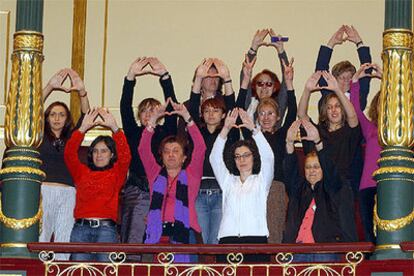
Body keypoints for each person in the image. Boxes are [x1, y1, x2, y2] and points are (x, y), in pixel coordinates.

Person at [119, 57, 178, 258]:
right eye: (144, 111)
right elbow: (125, 106)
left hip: (162, 190)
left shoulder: (166, 132)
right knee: (133, 241)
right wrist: (130, 76)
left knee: (160, 240)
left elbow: (172, 106)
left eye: (153, 110)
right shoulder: (134, 132)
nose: (148, 115)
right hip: (136, 189)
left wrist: (165, 76)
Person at [138, 101, 206, 263]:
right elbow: (143, 149)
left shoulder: (192, 174)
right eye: (167, 152)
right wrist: (153, 121)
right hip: (156, 233)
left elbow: (201, 147)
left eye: (176, 151)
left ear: (184, 158)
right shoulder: (155, 174)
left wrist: (187, 118)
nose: (171, 155)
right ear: (161, 156)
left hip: (185, 233)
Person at [239, 56, 297, 243]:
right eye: (261, 114)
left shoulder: (281, 135)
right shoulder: (251, 137)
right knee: (252, 232)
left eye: (270, 113)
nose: (265, 117)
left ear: (278, 116)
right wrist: (246, 79)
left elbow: (293, 111)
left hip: (275, 187)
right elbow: (239, 109)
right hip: (253, 187)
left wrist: (289, 83)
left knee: (273, 232)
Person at [298, 71, 360, 242]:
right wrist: (307, 90)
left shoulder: (349, 131)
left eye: (337, 106)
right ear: (325, 110)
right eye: (330, 106)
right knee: (318, 230)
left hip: (340, 185)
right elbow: (302, 116)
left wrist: (337, 90)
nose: (333, 110)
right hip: (319, 185)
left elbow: (353, 117)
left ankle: (351, 263)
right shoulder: (319, 132)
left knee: (346, 227)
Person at [64, 108, 130, 262]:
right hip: (80, 229)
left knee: (105, 271)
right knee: (79, 272)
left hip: (106, 230)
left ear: (112, 154)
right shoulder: (81, 172)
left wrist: (114, 128)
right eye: (95, 151)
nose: (99, 155)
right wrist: (82, 129)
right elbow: (69, 153)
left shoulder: (116, 173)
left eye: (104, 151)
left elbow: (126, 155)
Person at [210, 108, 274, 261]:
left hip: (256, 240)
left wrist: (253, 129)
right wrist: (225, 129)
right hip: (228, 239)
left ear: (253, 158)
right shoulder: (227, 181)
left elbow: (268, 157)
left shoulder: (261, 180)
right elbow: (214, 158)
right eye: (237, 157)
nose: (242, 160)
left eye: (246, 155)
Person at [39, 68, 90, 261]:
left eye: (61, 114)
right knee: (41, 238)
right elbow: (31, 108)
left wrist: (82, 91)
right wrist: (50, 87)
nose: (57, 118)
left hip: (69, 192)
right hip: (44, 191)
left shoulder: (72, 138)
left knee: (65, 239)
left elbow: (86, 115)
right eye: (53, 114)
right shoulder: (39, 136)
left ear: (67, 118)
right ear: (47, 117)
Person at [188, 58, 239, 245]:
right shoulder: (196, 133)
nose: (211, 114)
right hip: (199, 193)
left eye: (216, 110)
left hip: (221, 192)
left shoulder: (229, 134)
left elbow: (233, 107)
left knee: (216, 242)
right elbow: (192, 107)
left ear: (223, 114)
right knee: (199, 242)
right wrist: (199, 78)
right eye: (207, 111)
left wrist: (226, 79)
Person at [283, 119, 344, 262]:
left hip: (324, 251)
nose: (311, 171)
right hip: (297, 252)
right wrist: (289, 143)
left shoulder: (331, 187)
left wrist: (318, 141)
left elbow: (330, 169)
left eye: (316, 167)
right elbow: (290, 171)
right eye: (308, 167)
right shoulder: (299, 190)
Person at [350, 63, 382, 243]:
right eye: (380, 104)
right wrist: (355, 80)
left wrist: (385, 77)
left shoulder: (400, 131)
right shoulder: (369, 127)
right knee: (369, 232)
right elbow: (354, 108)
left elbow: (406, 101)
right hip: (367, 185)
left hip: (391, 185)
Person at [239, 29, 290, 126]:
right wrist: (253, 48)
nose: (264, 87)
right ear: (254, 86)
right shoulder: (249, 103)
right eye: (260, 83)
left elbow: (287, 77)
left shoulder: (278, 106)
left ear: (274, 87)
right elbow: (244, 77)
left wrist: (281, 51)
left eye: (269, 84)